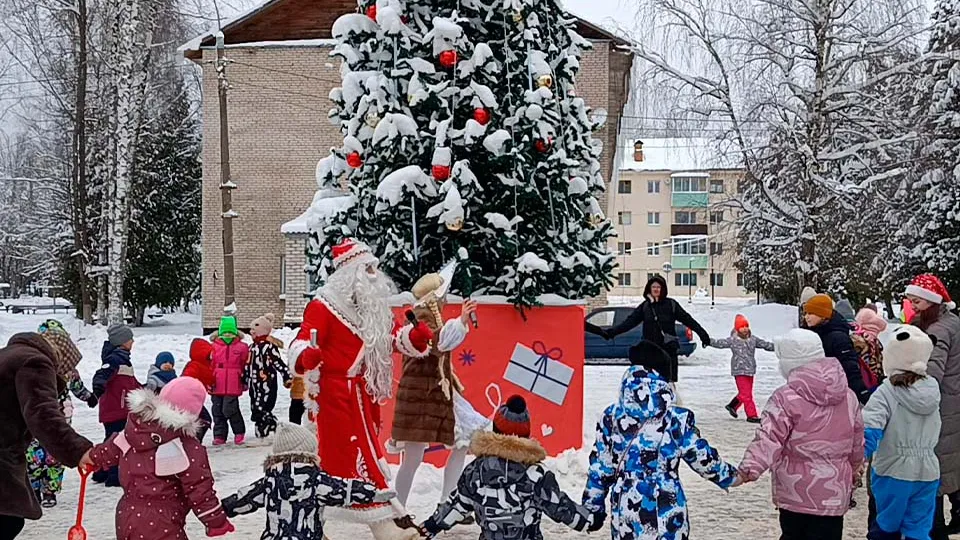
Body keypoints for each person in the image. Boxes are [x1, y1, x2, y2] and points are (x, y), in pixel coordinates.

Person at [288, 238, 419, 540]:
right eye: (369, 267)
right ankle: (380, 523)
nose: (376, 274)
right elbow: (302, 340)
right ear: (351, 272)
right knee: (342, 458)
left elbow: (389, 339)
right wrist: (305, 355)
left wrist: (413, 338)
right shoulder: (324, 306)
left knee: (356, 457)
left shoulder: (371, 309)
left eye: (375, 267)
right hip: (332, 397)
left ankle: (322, 520)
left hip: (361, 397)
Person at [582, 363, 739, 539]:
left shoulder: (610, 417)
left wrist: (593, 507)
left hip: (626, 509)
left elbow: (601, 467)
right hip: (667, 507)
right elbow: (701, 456)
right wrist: (731, 476)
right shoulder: (676, 419)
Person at [738, 329, 864, 540]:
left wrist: (747, 470)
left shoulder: (784, 398)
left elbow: (769, 439)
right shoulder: (848, 396)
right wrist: (853, 470)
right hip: (833, 492)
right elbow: (857, 441)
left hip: (795, 489)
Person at [420, 396, 595, 539]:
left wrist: (431, 525)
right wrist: (589, 520)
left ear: (495, 429)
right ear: (526, 434)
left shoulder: (476, 470)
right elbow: (559, 508)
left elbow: (457, 505)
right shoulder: (535, 474)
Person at [88, 378, 234, 540]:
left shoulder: (135, 429)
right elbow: (199, 487)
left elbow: (108, 450)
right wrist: (216, 521)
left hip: (126, 515)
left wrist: (91, 458)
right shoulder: (185, 446)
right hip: (163, 522)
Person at [390, 270, 488, 508]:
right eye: (443, 294)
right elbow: (437, 342)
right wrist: (461, 321)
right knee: (414, 457)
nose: (445, 299)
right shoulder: (422, 314)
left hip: (433, 394)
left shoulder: (429, 314)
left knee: (461, 442)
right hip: (422, 396)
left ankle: (446, 501)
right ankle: (399, 509)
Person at [223, 422, 394, 539]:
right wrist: (373, 494)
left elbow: (245, 498)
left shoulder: (269, 481)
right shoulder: (315, 481)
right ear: (310, 453)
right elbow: (344, 489)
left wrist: (220, 509)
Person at [0, 330, 94, 539]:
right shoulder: (35, 363)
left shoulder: (10, 355)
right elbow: (43, 415)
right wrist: (78, 451)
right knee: (8, 520)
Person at [862, 324, 941, 540]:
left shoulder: (886, 391)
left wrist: (857, 458)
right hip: (928, 471)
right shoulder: (932, 389)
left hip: (893, 470)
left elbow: (871, 427)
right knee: (919, 529)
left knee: (886, 526)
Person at [903, 274, 960, 538]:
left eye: (918, 302)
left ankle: (934, 529)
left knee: (932, 469)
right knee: (950, 462)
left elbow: (930, 372)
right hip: (952, 402)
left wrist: (902, 381)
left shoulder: (937, 330)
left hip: (940, 406)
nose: (914, 307)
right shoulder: (947, 322)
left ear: (933, 302)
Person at [24, 322, 97, 509]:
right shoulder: (33, 364)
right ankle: (34, 490)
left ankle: (49, 490)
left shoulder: (65, 363)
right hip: (34, 417)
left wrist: (88, 397)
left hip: (60, 413)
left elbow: (76, 384)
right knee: (33, 454)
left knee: (54, 454)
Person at [602, 275, 711, 383]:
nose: (656, 289)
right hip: (650, 352)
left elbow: (688, 320)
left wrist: (702, 334)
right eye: (653, 287)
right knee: (650, 382)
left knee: (668, 383)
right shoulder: (645, 307)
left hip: (667, 351)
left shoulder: (671, 305)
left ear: (663, 289)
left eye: (659, 287)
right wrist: (612, 332)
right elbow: (629, 322)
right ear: (649, 288)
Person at [91, 323, 142, 486]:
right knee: (117, 442)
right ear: (122, 341)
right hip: (115, 410)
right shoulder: (114, 359)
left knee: (111, 441)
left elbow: (131, 384)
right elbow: (101, 375)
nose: (133, 342)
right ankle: (114, 476)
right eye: (130, 339)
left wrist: (147, 390)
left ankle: (101, 472)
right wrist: (97, 391)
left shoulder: (124, 360)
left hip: (120, 409)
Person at [802, 294, 871, 404]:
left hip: (835, 394)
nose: (806, 317)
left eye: (811, 313)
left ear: (823, 315)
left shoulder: (838, 338)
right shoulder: (809, 333)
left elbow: (850, 368)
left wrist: (862, 394)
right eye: (805, 313)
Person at [712, 314, 774, 423]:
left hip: (750, 370)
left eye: (746, 326)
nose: (745, 329)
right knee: (746, 394)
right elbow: (720, 343)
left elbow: (765, 345)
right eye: (742, 326)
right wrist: (708, 341)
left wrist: (778, 346)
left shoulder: (753, 339)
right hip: (738, 370)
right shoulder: (733, 340)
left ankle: (732, 406)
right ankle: (752, 415)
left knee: (745, 393)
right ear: (737, 328)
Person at [246, 313, 292, 438]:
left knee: (263, 406)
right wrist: (244, 378)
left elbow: (278, 362)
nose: (251, 332)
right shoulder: (252, 347)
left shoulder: (269, 347)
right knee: (255, 405)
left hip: (267, 382)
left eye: (254, 329)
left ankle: (264, 429)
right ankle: (268, 425)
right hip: (253, 383)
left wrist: (286, 376)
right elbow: (248, 364)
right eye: (251, 330)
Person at [210, 315, 249, 446]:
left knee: (230, 409)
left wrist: (244, 380)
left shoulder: (242, 347)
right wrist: (208, 381)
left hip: (233, 381)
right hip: (217, 382)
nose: (228, 335)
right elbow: (209, 365)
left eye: (230, 333)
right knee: (217, 410)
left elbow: (245, 364)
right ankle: (219, 435)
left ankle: (239, 432)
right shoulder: (214, 346)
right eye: (225, 332)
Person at [181, 338, 215, 443]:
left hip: (196, 399)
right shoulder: (194, 365)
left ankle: (194, 441)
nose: (212, 355)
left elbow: (210, 378)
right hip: (189, 398)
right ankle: (194, 441)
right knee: (204, 419)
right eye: (209, 352)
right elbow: (186, 377)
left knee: (203, 420)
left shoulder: (208, 366)